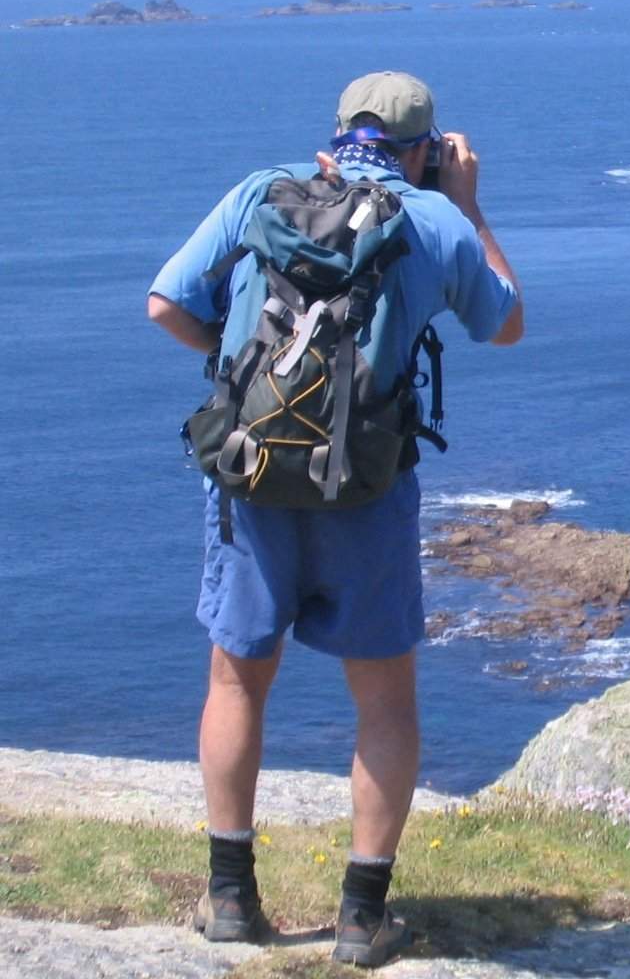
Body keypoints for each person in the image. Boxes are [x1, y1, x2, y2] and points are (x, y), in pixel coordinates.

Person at [148, 72, 523, 968]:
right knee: (384, 703)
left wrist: (244, 377)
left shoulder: (261, 192)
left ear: (340, 133)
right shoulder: (433, 222)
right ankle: (361, 919)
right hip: (365, 488)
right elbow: (504, 323)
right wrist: (469, 207)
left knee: (238, 683)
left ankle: (232, 899)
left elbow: (166, 304)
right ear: (425, 148)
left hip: (252, 476)